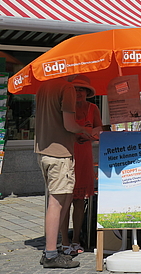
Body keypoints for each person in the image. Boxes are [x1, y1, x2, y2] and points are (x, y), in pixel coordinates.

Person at [36, 77, 93, 269]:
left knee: (63, 200)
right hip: (59, 153)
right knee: (57, 202)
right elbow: (69, 124)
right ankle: (51, 253)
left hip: (44, 150)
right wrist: (84, 129)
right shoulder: (66, 88)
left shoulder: (44, 87)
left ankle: (54, 249)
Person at [59, 76, 102, 257]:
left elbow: (100, 130)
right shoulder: (65, 108)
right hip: (67, 154)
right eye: (76, 89)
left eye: (82, 90)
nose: (79, 93)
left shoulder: (93, 108)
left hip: (84, 157)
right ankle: (64, 240)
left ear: (88, 93)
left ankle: (76, 238)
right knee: (64, 200)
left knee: (79, 201)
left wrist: (89, 135)